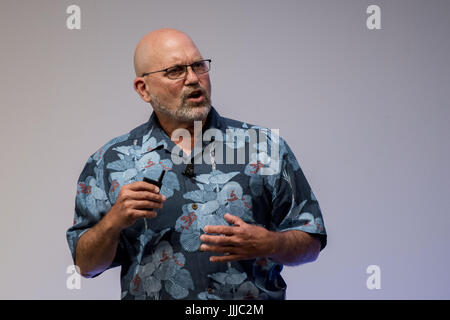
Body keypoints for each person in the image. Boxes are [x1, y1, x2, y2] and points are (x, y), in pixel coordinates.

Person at [66, 28, 327, 300]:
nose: (193, 79)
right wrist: (113, 222)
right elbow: (85, 265)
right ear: (143, 89)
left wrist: (271, 243)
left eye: (199, 66)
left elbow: (310, 241)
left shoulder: (265, 148)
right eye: (175, 71)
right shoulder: (109, 161)